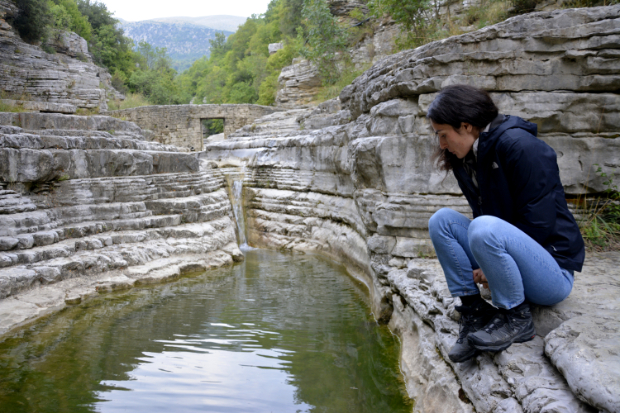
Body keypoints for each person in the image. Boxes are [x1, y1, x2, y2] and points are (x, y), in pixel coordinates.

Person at [426, 85, 585, 363]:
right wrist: (487, 264)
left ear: (466, 125)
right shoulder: (468, 159)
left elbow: (541, 222)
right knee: (442, 221)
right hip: (513, 258)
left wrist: (491, 266)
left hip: (552, 273)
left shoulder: (520, 146)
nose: (441, 144)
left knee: (484, 226)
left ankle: (515, 317)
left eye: (443, 134)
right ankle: (474, 310)